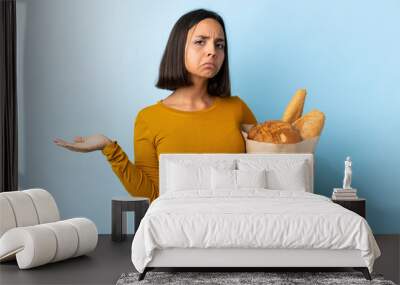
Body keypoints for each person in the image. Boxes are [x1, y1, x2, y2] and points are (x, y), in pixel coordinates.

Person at [54, 9, 257, 203]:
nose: (212, 51)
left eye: (219, 45)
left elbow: (266, 169)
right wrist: (109, 148)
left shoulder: (237, 109)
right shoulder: (149, 119)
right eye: (200, 42)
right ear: (179, 48)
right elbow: (152, 195)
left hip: (236, 224)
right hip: (179, 230)